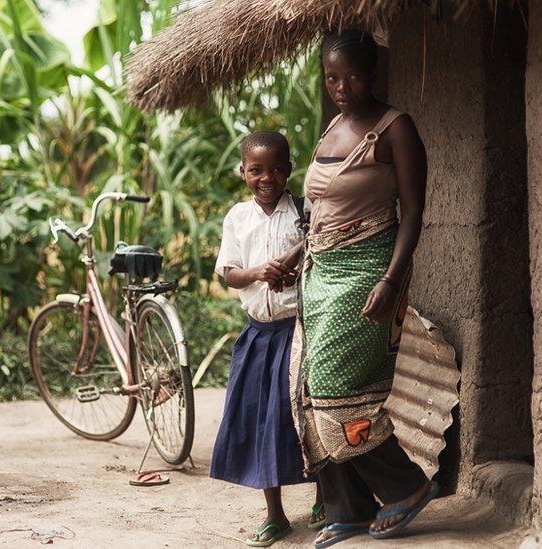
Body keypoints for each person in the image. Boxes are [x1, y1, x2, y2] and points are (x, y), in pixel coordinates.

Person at [282, 29, 438, 548]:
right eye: (332, 77)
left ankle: (407, 486)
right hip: (320, 274)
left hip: (367, 273)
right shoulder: (331, 129)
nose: (342, 86)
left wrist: (391, 281)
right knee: (305, 392)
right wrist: (298, 254)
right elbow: (320, 210)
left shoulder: (396, 129)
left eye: (352, 76)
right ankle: (348, 508)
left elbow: (413, 213)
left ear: (372, 74)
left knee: (339, 392)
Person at [210, 131, 325, 547]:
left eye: (276, 169)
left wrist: (297, 266)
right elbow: (229, 273)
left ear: (288, 171)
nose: (266, 177)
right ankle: (275, 514)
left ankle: (324, 498)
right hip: (259, 336)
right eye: (256, 169)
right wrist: (260, 272)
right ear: (243, 172)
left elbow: (320, 248)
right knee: (261, 422)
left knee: (309, 416)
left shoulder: (303, 211)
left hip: (301, 330)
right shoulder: (238, 218)